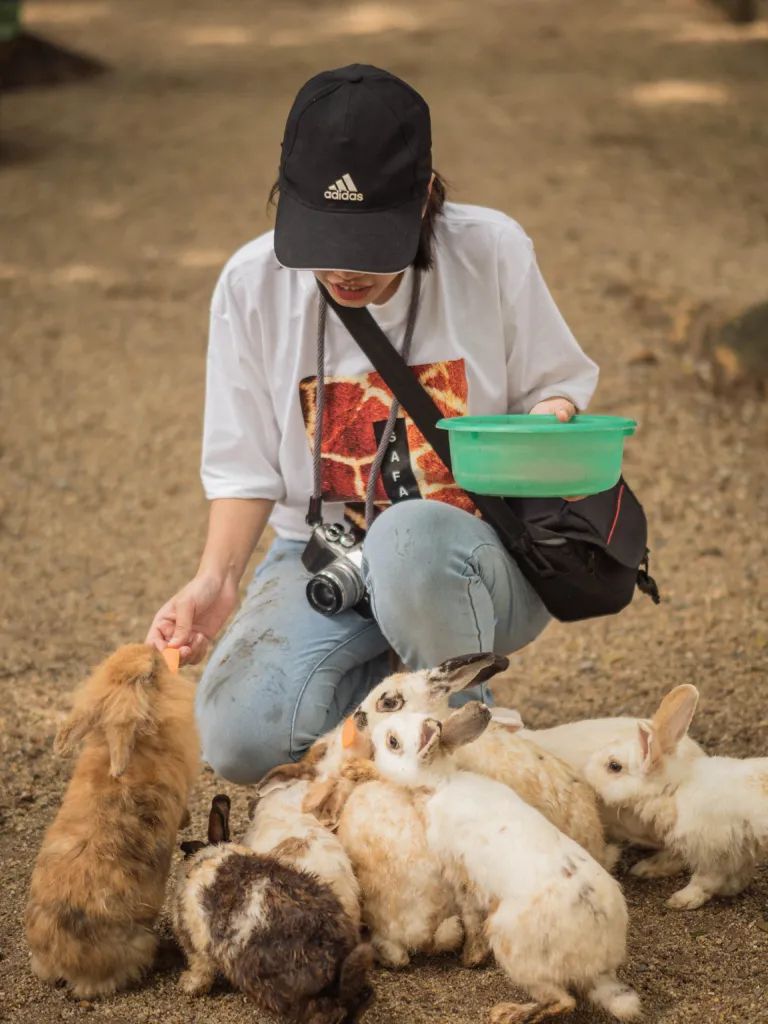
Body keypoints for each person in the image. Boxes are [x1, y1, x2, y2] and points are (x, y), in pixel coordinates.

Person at [146, 64, 598, 784]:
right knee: (237, 741)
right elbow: (243, 465)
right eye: (322, 237)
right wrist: (215, 578)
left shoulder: (491, 250)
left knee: (408, 536)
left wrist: (543, 425)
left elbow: (555, 388)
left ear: (424, 198)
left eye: (367, 242)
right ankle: (386, 696)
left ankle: (464, 749)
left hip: (468, 558)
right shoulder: (250, 283)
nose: (342, 269)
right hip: (325, 556)